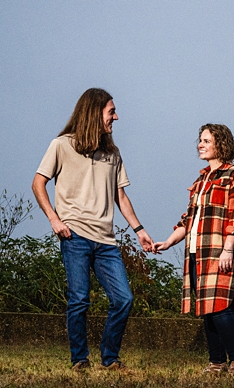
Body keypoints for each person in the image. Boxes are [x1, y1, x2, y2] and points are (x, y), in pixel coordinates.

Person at [33, 88, 155, 372]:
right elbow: (38, 183)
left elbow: (120, 196)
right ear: (94, 113)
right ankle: (80, 360)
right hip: (74, 235)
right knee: (79, 299)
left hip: (106, 241)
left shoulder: (113, 153)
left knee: (124, 299)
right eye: (111, 111)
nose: (116, 117)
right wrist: (54, 219)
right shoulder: (61, 145)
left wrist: (139, 230)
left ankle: (109, 359)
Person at [153, 124, 234, 374]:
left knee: (220, 308)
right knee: (207, 308)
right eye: (200, 140)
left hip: (220, 250)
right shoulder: (201, 180)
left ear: (221, 144)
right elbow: (188, 219)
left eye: (206, 140)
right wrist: (168, 241)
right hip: (198, 251)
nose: (200, 144)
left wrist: (228, 249)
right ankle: (216, 362)